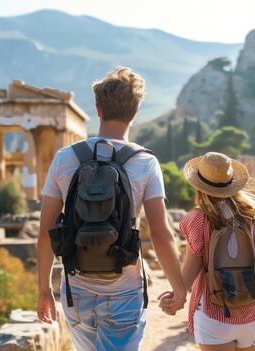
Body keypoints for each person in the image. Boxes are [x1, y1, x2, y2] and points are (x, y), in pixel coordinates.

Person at [36, 66, 187, 350]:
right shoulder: (145, 162)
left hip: (76, 289)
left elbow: (46, 231)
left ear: (97, 109)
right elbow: (161, 233)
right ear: (136, 111)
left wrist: (44, 289)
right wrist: (179, 288)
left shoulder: (65, 158)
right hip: (125, 291)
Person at [162, 152, 255, 351]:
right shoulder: (254, 218)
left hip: (215, 315)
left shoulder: (197, 219)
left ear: (198, 187)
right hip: (251, 314)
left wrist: (178, 296)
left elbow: (192, 266)